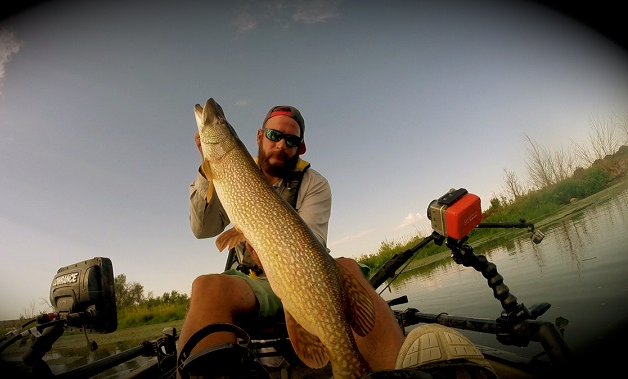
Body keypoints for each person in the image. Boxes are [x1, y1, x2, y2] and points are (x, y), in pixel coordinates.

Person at [181, 104, 496, 378]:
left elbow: (309, 245)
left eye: (291, 140)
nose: (281, 145)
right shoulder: (231, 172)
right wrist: (205, 171)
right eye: (275, 136)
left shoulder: (315, 183)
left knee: (346, 266)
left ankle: (393, 372)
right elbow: (201, 228)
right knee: (206, 287)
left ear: (300, 147)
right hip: (254, 283)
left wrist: (270, 250)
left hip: (306, 278)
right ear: (260, 137)